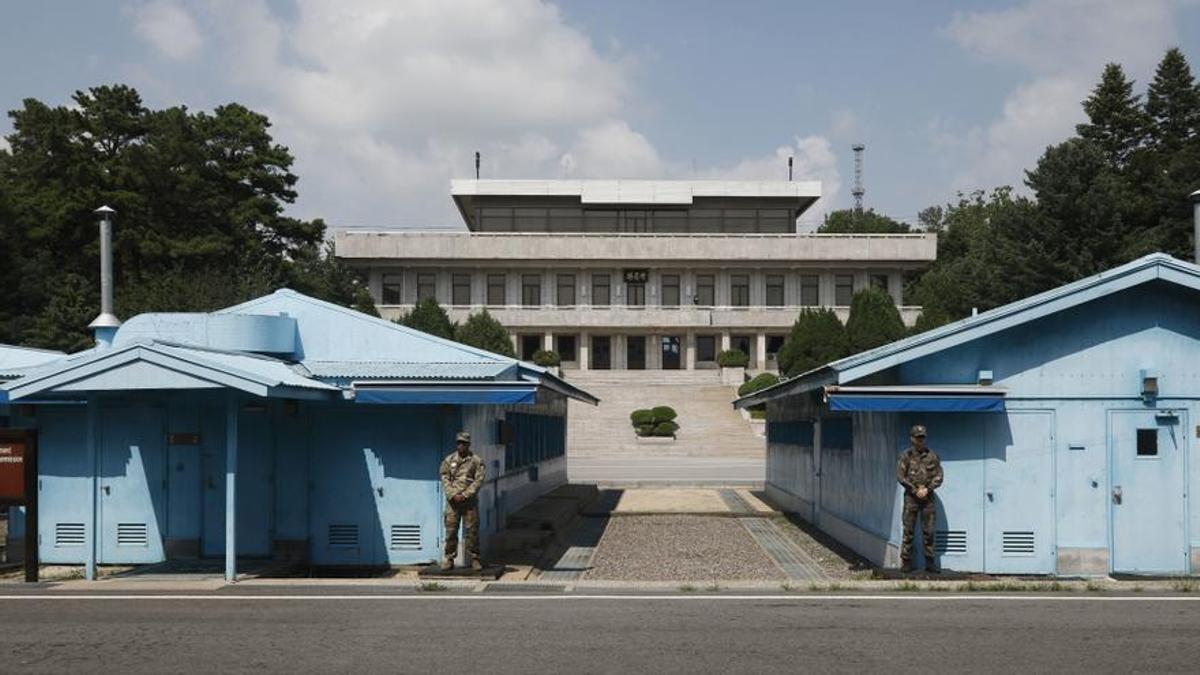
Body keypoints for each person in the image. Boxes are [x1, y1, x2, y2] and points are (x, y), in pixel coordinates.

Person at [896, 424, 944, 573]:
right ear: (912, 439)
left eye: (922, 438)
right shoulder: (906, 456)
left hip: (927, 499)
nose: (920, 441)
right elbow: (900, 476)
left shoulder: (932, 456)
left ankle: (930, 562)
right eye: (918, 438)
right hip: (911, 498)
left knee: (929, 532)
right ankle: (906, 561)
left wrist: (928, 489)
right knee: (908, 531)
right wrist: (914, 489)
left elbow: (939, 475)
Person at [439, 431, 486, 571]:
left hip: (469, 503)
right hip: (453, 503)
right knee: (451, 531)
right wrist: (453, 494)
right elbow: (444, 477)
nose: (461, 445)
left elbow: (479, 480)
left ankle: (475, 559)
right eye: (459, 443)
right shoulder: (449, 460)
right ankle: (449, 558)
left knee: (472, 532)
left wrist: (465, 495)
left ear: (469, 444)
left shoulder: (476, 461)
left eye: (464, 443)